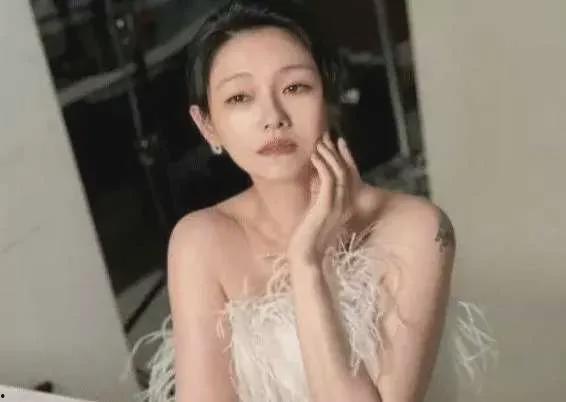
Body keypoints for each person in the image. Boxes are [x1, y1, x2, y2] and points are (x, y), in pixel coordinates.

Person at [123, 1, 497, 401]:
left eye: (294, 87)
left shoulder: (417, 228)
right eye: (240, 97)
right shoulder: (200, 240)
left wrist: (306, 265)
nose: (273, 116)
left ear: (329, 99)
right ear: (207, 125)